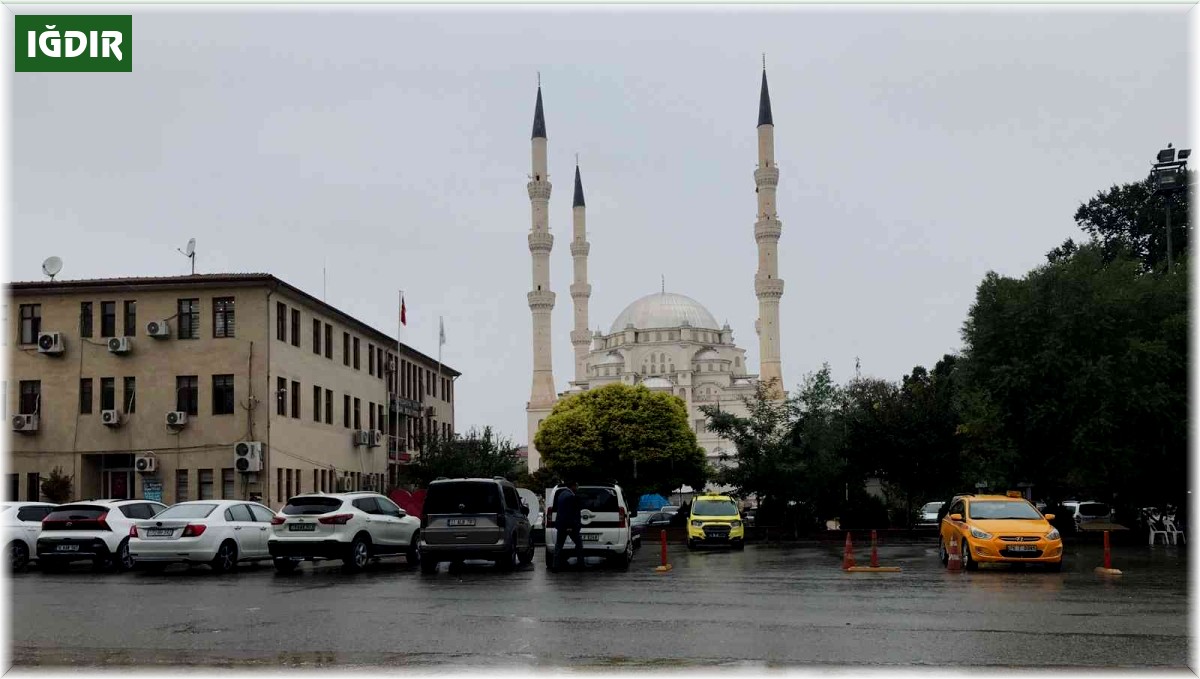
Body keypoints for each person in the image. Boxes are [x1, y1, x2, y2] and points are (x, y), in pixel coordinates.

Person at [553, 480, 584, 570]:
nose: (577, 488)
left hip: (561, 525)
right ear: (573, 486)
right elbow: (570, 512)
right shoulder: (570, 496)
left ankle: (555, 565)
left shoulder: (561, 494)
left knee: (558, 545)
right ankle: (580, 564)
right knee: (579, 544)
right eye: (576, 486)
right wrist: (570, 526)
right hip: (569, 526)